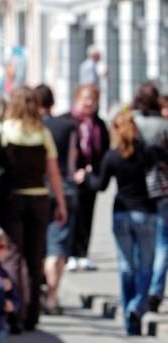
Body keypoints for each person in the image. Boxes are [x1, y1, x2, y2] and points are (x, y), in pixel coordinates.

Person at [0, 86, 67, 331]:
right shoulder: (43, 132)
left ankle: (15, 310)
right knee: (34, 255)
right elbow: (53, 172)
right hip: (39, 199)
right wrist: (60, 202)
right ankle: (33, 315)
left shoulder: (2, 129)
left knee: (13, 255)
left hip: (11, 198)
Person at [75, 110, 165, 335]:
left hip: (121, 214)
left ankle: (129, 316)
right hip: (146, 213)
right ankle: (138, 306)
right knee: (146, 265)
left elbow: (100, 186)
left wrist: (85, 177)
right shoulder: (148, 153)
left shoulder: (112, 156)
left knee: (126, 266)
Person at [35, 84, 79, 314]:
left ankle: (36, 294)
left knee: (38, 245)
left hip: (37, 189)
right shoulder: (67, 126)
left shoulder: (32, 127)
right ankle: (52, 296)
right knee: (57, 245)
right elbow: (72, 161)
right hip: (63, 187)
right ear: (52, 103)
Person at [132, 83, 168, 312]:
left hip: (134, 190)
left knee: (139, 242)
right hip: (161, 188)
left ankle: (141, 289)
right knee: (162, 241)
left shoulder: (131, 123)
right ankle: (155, 290)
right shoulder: (163, 126)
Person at [68, 84, 109, 271]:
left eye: (93, 99)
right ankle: (70, 253)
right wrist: (74, 170)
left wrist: (96, 170)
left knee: (88, 214)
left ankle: (83, 253)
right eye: (86, 98)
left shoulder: (99, 124)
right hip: (72, 176)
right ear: (77, 99)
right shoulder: (69, 121)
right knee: (72, 214)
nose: (89, 102)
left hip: (92, 177)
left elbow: (104, 151)